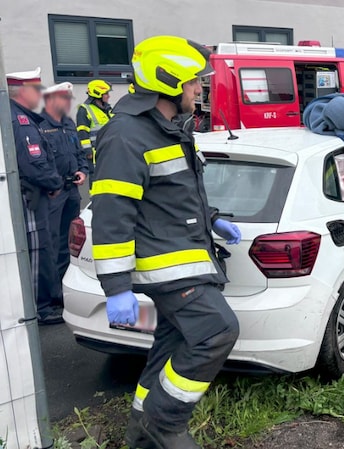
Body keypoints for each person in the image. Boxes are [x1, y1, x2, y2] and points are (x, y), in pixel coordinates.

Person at [91, 35, 242, 448]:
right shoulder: (127, 136)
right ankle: (166, 422)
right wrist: (117, 288)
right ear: (170, 81)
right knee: (218, 330)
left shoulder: (169, 129)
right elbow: (111, 215)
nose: (200, 88)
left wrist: (212, 221)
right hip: (168, 268)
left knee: (170, 346)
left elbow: (173, 196)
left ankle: (142, 435)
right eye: (194, 80)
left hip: (185, 257)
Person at [8, 68, 65, 325]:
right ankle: (39, 309)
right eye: (37, 89)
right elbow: (33, 163)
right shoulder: (20, 121)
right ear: (22, 92)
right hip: (31, 195)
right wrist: (54, 183)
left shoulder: (25, 117)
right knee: (36, 250)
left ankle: (46, 300)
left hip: (33, 192)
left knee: (44, 246)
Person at [40, 82, 88, 310]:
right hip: (53, 193)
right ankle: (52, 295)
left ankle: (66, 289)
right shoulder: (39, 124)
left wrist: (82, 171)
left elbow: (79, 153)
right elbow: (38, 161)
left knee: (70, 242)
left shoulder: (68, 124)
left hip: (71, 191)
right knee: (51, 242)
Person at [76, 79, 113, 179]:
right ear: (98, 93)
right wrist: (88, 151)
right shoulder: (84, 110)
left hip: (109, 150)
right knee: (97, 179)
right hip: (95, 153)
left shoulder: (107, 109)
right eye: (106, 93)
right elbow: (82, 132)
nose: (108, 96)